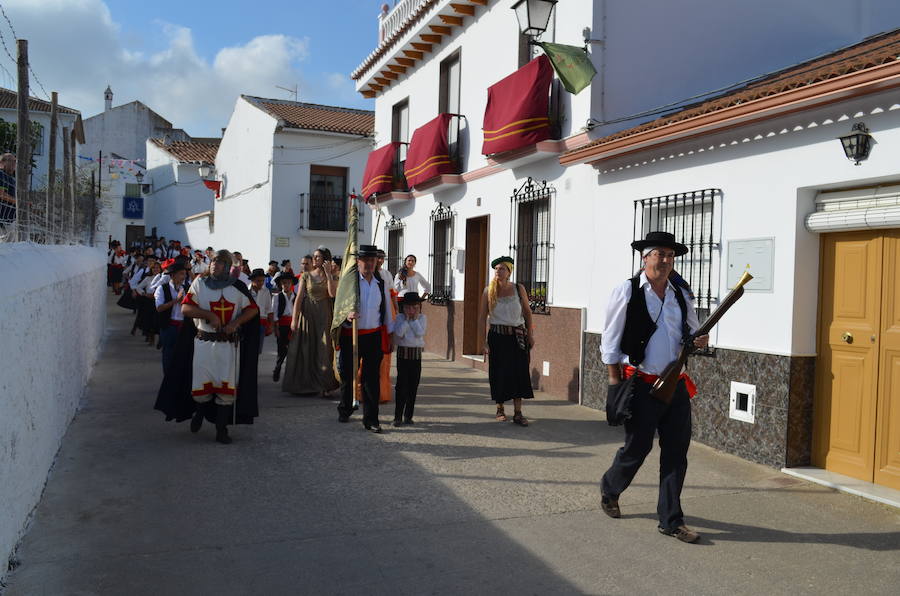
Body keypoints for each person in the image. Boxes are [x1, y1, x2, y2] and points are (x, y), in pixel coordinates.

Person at [598, 231, 708, 544]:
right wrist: (614, 382)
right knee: (637, 447)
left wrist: (699, 340)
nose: (666, 260)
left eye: (670, 255)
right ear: (645, 257)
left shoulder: (680, 293)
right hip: (641, 384)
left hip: (676, 385)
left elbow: (691, 333)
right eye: (660, 254)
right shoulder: (628, 290)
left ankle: (671, 520)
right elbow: (610, 339)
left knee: (676, 452)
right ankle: (611, 488)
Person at [154, 249, 260, 444]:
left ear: (227, 266)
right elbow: (186, 308)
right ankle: (199, 413)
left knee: (226, 386)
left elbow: (253, 309)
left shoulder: (237, 287)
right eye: (213, 261)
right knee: (202, 385)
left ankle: (221, 429)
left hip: (228, 346)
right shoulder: (200, 283)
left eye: (219, 262)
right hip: (203, 343)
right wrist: (208, 315)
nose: (214, 265)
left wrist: (235, 323)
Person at [336, 244, 394, 433]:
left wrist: (390, 333)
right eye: (365, 260)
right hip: (351, 335)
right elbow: (338, 308)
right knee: (348, 374)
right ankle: (345, 408)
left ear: (376, 261)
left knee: (371, 379)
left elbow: (386, 310)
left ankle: (371, 419)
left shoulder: (380, 283)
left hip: (373, 336)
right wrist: (347, 315)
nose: (369, 264)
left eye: (372, 260)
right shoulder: (350, 283)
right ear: (358, 261)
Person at [479, 256, 534, 426]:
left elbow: (527, 312)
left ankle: (518, 413)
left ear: (509, 272)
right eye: (496, 269)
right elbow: (482, 318)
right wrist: (483, 342)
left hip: (517, 337)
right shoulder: (488, 291)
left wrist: (530, 334)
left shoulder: (518, 288)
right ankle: (500, 408)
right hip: (497, 337)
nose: (498, 271)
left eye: (502, 268)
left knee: (519, 372)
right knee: (499, 373)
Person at [282, 247, 340, 396]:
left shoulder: (332, 276)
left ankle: (324, 385)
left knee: (324, 350)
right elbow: (299, 298)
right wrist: (294, 320)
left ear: (325, 259)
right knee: (306, 348)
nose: (315, 259)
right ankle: (306, 385)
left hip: (324, 315)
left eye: (318, 257)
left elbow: (332, 294)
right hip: (307, 314)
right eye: (314, 256)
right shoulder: (306, 276)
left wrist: (328, 274)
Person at [392, 292, 427, 426]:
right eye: (408, 307)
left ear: (419, 307)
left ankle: (408, 416)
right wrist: (407, 321)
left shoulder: (422, 318)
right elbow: (399, 333)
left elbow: (420, 333)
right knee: (401, 386)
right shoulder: (399, 318)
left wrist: (415, 320)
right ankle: (397, 417)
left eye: (415, 307)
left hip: (416, 356)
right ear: (403, 308)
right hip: (403, 355)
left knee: (413, 385)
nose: (411, 311)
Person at [155, 261, 187, 375]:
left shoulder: (186, 288)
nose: (183, 277)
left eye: (184, 274)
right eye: (181, 274)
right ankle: (168, 378)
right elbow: (159, 308)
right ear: (172, 275)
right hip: (169, 326)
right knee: (168, 354)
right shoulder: (162, 289)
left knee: (182, 354)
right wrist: (176, 301)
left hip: (183, 326)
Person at [271, 271, 297, 382]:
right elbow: (275, 313)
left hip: (293, 325)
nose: (286, 285)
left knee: (293, 350)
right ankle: (278, 368)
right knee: (281, 349)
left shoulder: (296, 296)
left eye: (288, 283)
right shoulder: (277, 297)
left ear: (292, 284)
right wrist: (276, 328)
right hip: (282, 325)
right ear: (281, 284)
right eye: (284, 283)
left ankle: (291, 374)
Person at [249, 268, 273, 354]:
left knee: (258, 349)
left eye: (263, 280)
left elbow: (269, 309)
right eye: (258, 281)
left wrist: (270, 326)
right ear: (252, 280)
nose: (261, 283)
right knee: (248, 347)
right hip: (248, 322)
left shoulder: (266, 291)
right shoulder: (246, 291)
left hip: (261, 323)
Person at [0, 153, 16, 226]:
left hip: (8, 221)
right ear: (2, 162)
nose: (14, 163)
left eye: (15, 161)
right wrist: (19, 203)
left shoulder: (10, 178)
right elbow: (1, 194)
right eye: (11, 160)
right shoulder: (1, 174)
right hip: (3, 220)